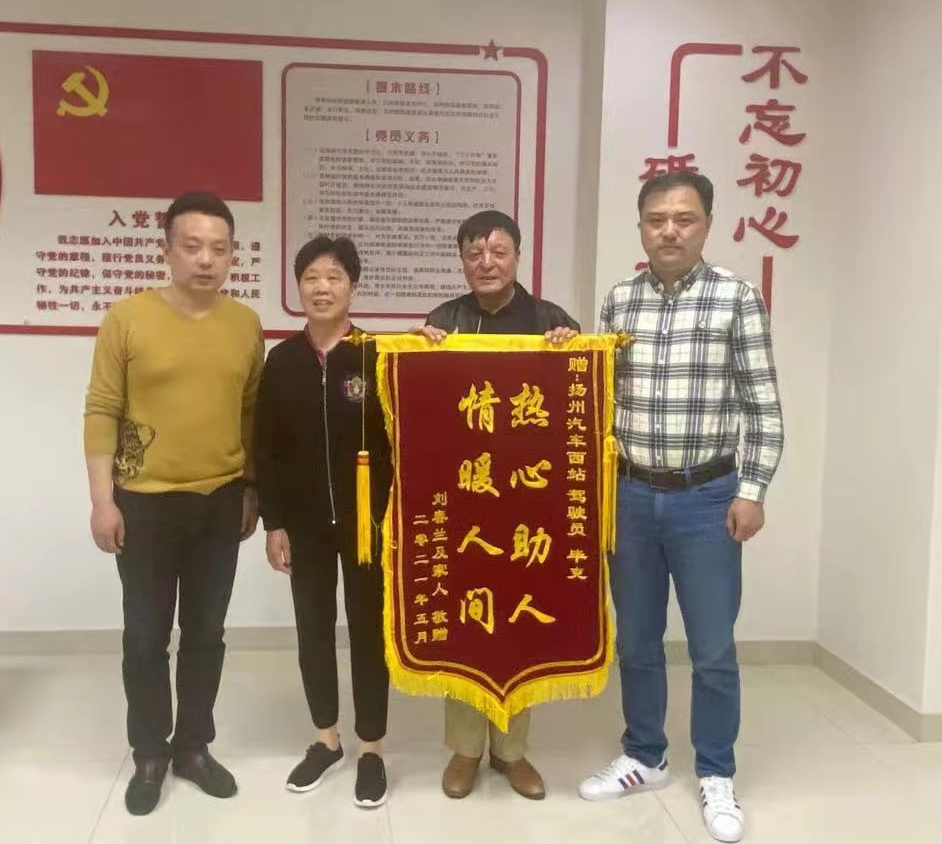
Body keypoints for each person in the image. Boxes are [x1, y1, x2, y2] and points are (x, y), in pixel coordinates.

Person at [578, 172, 784, 843]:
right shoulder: (618, 301)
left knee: (712, 647)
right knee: (636, 640)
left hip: (707, 499)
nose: (669, 230)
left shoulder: (737, 298)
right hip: (630, 496)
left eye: (684, 219)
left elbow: (764, 407)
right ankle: (645, 755)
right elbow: (598, 401)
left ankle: (717, 771)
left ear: (706, 225)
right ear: (641, 226)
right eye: (656, 219)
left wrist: (752, 490)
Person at [83, 191, 264, 816]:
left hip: (220, 502)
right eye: (192, 246)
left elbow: (251, 412)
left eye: (219, 248)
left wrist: (252, 487)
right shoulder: (127, 318)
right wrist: (101, 501)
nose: (206, 259)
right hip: (144, 505)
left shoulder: (245, 324)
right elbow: (101, 409)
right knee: (145, 636)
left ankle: (192, 747)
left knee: (207, 634)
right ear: (167, 250)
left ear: (232, 254)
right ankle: (149, 753)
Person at [416, 209, 579, 800]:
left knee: (517, 627)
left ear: (517, 256)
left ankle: (512, 753)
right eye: (474, 253)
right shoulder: (443, 321)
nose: (486, 263)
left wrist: (570, 350)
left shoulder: (552, 321)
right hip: (463, 505)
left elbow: (576, 407)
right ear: (462, 261)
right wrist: (417, 352)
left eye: (498, 251)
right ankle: (465, 750)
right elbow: (419, 413)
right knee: (465, 626)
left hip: (528, 508)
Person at [254, 236, 392, 808]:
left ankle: (371, 747)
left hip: (368, 525)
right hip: (304, 524)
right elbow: (266, 447)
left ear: (352, 287)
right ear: (298, 287)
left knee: (368, 631)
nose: (322, 287)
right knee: (312, 628)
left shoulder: (377, 356)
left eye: (334, 276)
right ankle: (326, 739)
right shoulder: (282, 361)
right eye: (311, 276)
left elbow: (401, 443)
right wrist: (274, 523)